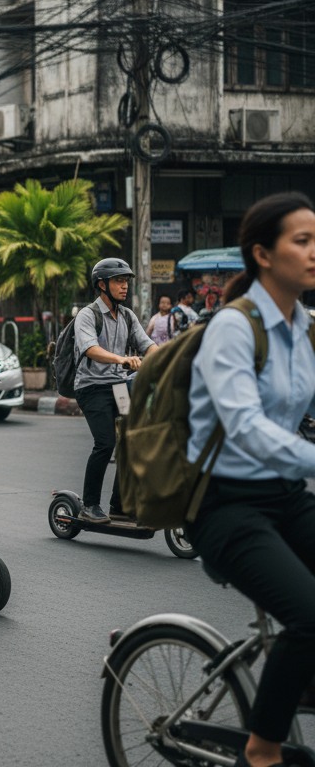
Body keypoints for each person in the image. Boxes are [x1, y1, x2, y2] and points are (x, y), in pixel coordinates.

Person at [185, 192, 315, 767]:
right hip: (225, 506)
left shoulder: (303, 327)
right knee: (309, 618)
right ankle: (262, 752)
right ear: (263, 254)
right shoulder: (233, 328)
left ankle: (299, 683)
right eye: (303, 241)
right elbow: (245, 426)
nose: (314, 252)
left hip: (284, 495)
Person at [74, 257, 156, 524]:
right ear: (102, 285)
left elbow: (147, 345)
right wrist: (122, 359)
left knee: (131, 443)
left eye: (126, 281)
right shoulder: (88, 315)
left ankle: (119, 505)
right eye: (119, 281)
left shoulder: (127, 316)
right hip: (92, 387)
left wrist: (168, 357)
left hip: (118, 387)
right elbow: (90, 349)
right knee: (105, 443)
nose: (125, 286)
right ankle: (89, 505)